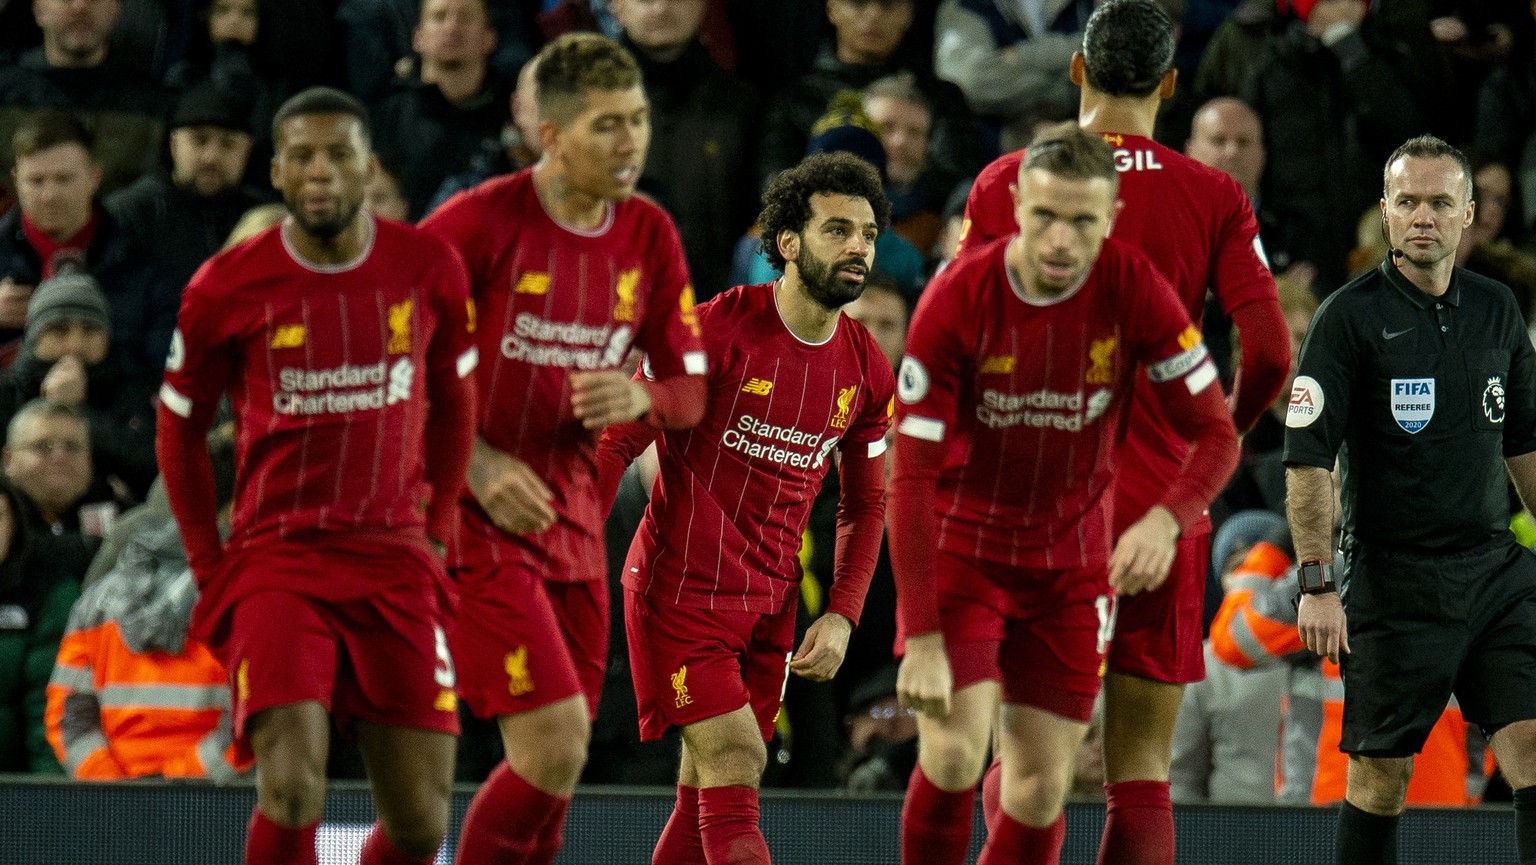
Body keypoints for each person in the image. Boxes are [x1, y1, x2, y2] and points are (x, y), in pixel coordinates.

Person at [947, 4, 1288, 863]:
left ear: (1076, 72)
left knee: (1026, 764)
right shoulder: (1212, 194)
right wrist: (1217, 441)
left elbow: (951, 340)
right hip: (1163, 511)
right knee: (1140, 772)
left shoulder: (1006, 186)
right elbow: (1273, 353)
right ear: (1171, 85)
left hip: (1039, 502)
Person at [890, 122, 1240, 865]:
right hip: (967, 552)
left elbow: (1217, 433)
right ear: (1017, 204)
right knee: (954, 757)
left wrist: (1165, 520)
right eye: (1046, 215)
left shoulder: (1132, 285)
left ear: (1110, 218)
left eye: (1083, 220)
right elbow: (911, 474)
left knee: (1040, 792)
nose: (1060, 238)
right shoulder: (956, 299)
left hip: (1072, 563)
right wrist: (919, 634)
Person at [155, 86, 478, 865]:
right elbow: (178, 428)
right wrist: (209, 562)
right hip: (278, 561)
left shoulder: (428, 266)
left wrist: (436, 530)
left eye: (339, 154)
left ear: (369, 166)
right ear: (275, 169)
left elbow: (456, 404)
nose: (320, 170)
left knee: (419, 825)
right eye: (302, 154)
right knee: (293, 787)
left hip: (395, 558)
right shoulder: (224, 285)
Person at [418, 33, 708, 865]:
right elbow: (391, 352)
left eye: (640, 120)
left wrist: (641, 396)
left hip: (575, 522)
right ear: (552, 136)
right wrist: (472, 460)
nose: (632, 143)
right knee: (550, 744)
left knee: (560, 763)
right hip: (476, 523)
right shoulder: (475, 223)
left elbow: (691, 390)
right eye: (608, 126)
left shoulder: (649, 232)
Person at [596, 150, 895, 865]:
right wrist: (571, 547)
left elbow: (866, 501)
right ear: (787, 242)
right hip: (677, 593)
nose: (858, 246)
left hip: (769, 606)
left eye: (867, 233)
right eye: (836, 230)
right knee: (736, 759)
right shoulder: (712, 332)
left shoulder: (867, 367)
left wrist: (844, 611)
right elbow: (613, 443)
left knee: (703, 792)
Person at [1283, 134, 1536, 864]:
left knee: (1533, 746)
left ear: (1467, 215)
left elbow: (1525, 444)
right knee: (1381, 777)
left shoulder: (1498, 309)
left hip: (1494, 569)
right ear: (1386, 214)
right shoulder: (1346, 317)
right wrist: (1317, 583)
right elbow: (1307, 461)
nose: (1422, 217)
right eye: (1406, 203)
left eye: (1437, 203)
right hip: (1393, 578)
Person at [1, 110, 181, 385]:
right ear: (15, 181)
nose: (50, 195)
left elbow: (161, 376)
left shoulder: (143, 266)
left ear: (94, 178)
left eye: (64, 179)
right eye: (36, 181)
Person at [105, 82, 269, 292]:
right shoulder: (130, 213)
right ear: (174, 145)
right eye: (200, 141)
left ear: (246, 151)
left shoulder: (263, 217)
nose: (212, 157)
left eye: (228, 144)